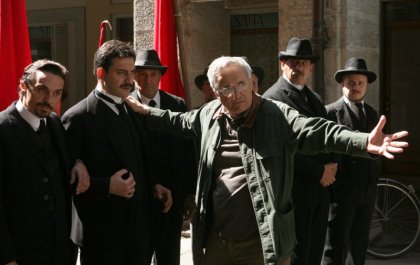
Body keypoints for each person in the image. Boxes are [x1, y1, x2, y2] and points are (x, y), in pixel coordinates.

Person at [124, 56, 408, 265]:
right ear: (214, 91)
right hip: (215, 242)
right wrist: (144, 111)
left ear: (252, 83)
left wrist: (363, 142)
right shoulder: (208, 115)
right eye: (225, 88)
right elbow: (178, 121)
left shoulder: (277, 115)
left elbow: (319, 131)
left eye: (241, 84)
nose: (235, 95)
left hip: (263, 244)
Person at [61, 40, 172, 265]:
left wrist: (154, 184)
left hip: (140, 230)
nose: (130, 80)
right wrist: (105, 186)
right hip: (103, 234)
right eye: (122, 73)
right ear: (101, 73)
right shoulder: (78, 118)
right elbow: (65, 181)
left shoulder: (132, 109)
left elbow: (139, 159)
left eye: (132, 72)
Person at [0, 59, 89, 265]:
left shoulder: (55, 123)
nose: (49, 99)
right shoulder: (3, 129)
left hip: (60, 249)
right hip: (20, 253)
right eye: (42, 90)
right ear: (23, 86)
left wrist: (78, 163)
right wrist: (7, 257)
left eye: (57, 93)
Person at [263, 37, 337, 265]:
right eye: (293, 62)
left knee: (315, 252)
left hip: (319, 191)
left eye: (303, 63)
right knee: (296, 255)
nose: (298, 67)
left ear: (311, 66)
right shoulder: (272, 99)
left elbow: (326, 133)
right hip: (293, 192)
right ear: (282, 64)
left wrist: (333, 164)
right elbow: (282, 147)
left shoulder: (313, 97)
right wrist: (319, 172)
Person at [133, 49, 197, 265]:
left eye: (153, 74)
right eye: (142, 74)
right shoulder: (125, 105)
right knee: (139, 253)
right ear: (133, 76)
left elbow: (187, 150)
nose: (147, 79)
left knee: (168, 254)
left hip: (174, 194)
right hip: (140, 195)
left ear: (161, 76)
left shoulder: (176, 105)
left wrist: (189, 192)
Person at [322, 58, 380, 265]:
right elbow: (325, 150)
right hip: (341, 192)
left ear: (366, 85)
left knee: (360, 243)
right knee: (336, 246)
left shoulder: (372, 112)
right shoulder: (330, 112)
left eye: (360, 83)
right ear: (342, 84)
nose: (356, 87)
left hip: (366, 190)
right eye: (351, 83)